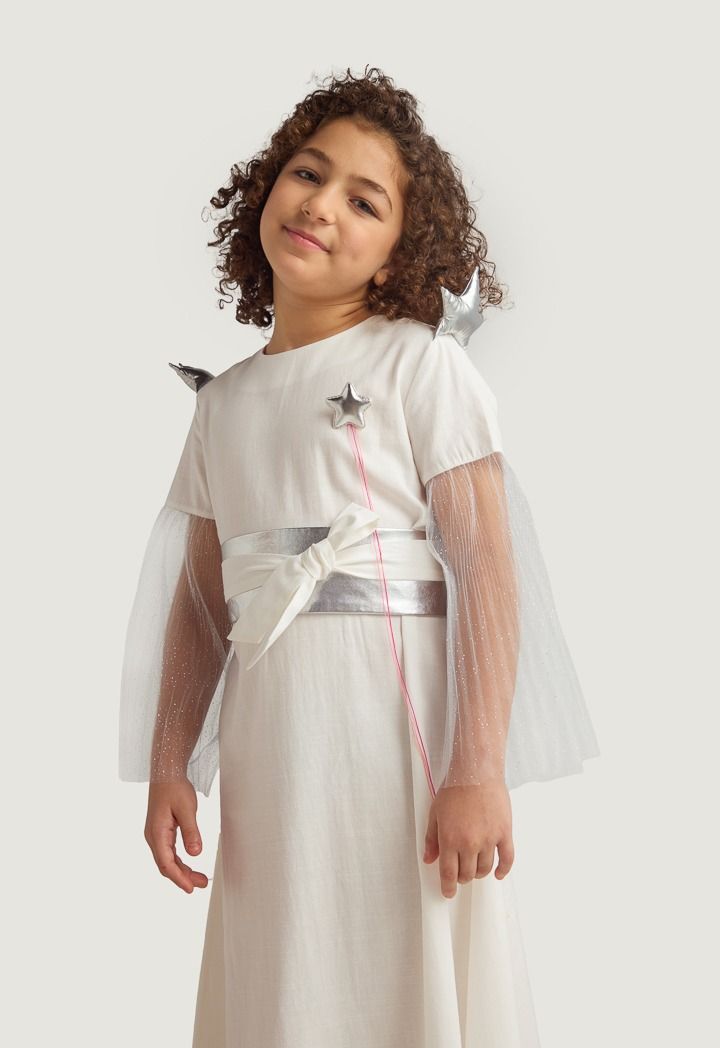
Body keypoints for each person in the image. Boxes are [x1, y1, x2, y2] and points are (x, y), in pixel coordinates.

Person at [118, 66, 600, 1048]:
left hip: (393, 737)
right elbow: (203, 605)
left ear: (397, 256)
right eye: (307, 173)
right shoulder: (223, 405)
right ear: (267, 188)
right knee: (287, 948)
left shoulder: (418, 365)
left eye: (364, 200)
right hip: (274, 746)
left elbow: (485, 567)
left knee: (396, 942)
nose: (321, 204)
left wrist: (476, 768)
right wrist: (174, 762)